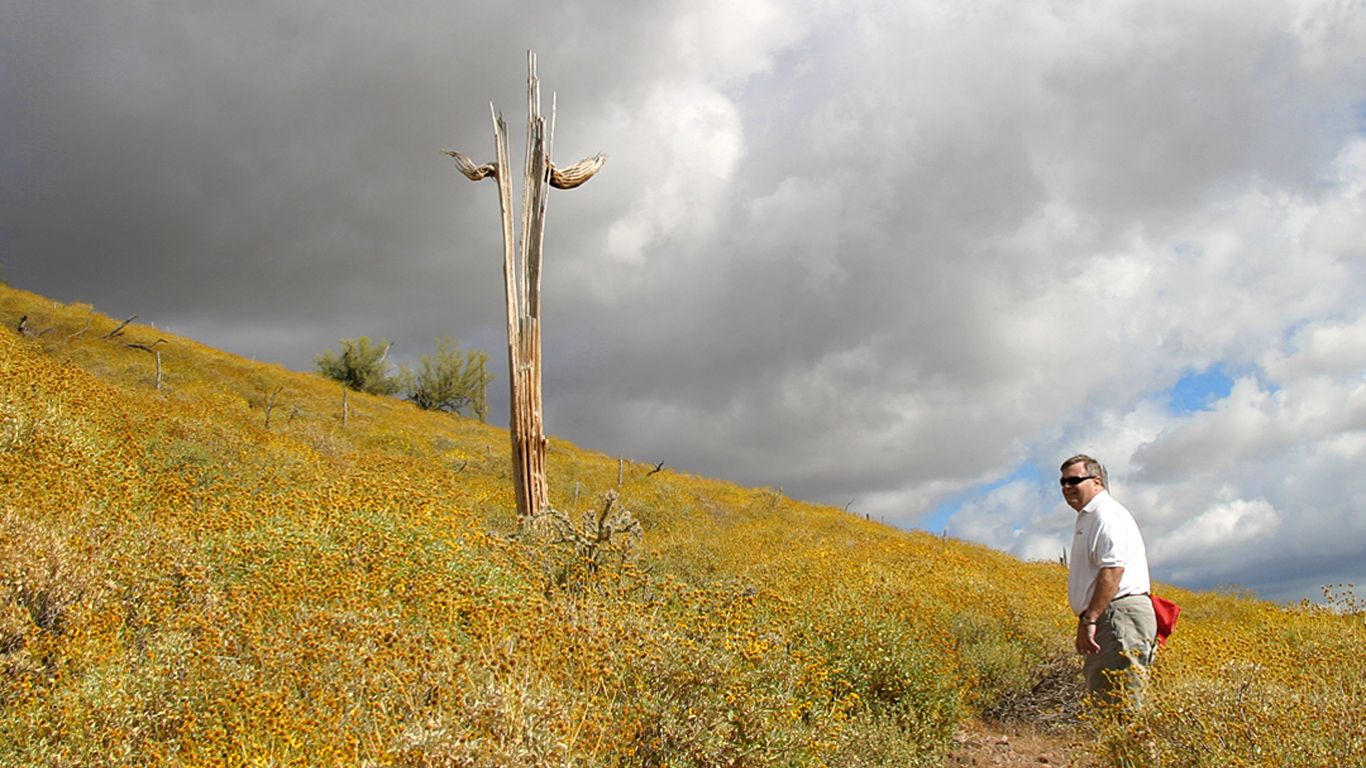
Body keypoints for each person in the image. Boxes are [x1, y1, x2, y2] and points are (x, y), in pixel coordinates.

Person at [1060, 454, 1157, 707]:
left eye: (1074, 480)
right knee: (1111, 701)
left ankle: (1131, 748)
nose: (1067, 487)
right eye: (1063, 482)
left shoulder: (1105, 514)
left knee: (1121, 704)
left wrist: (1091, 618)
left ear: (1097, 481)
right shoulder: (1090, 515)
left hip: (1116, 615)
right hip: (1111, 616)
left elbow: (1113, 568)